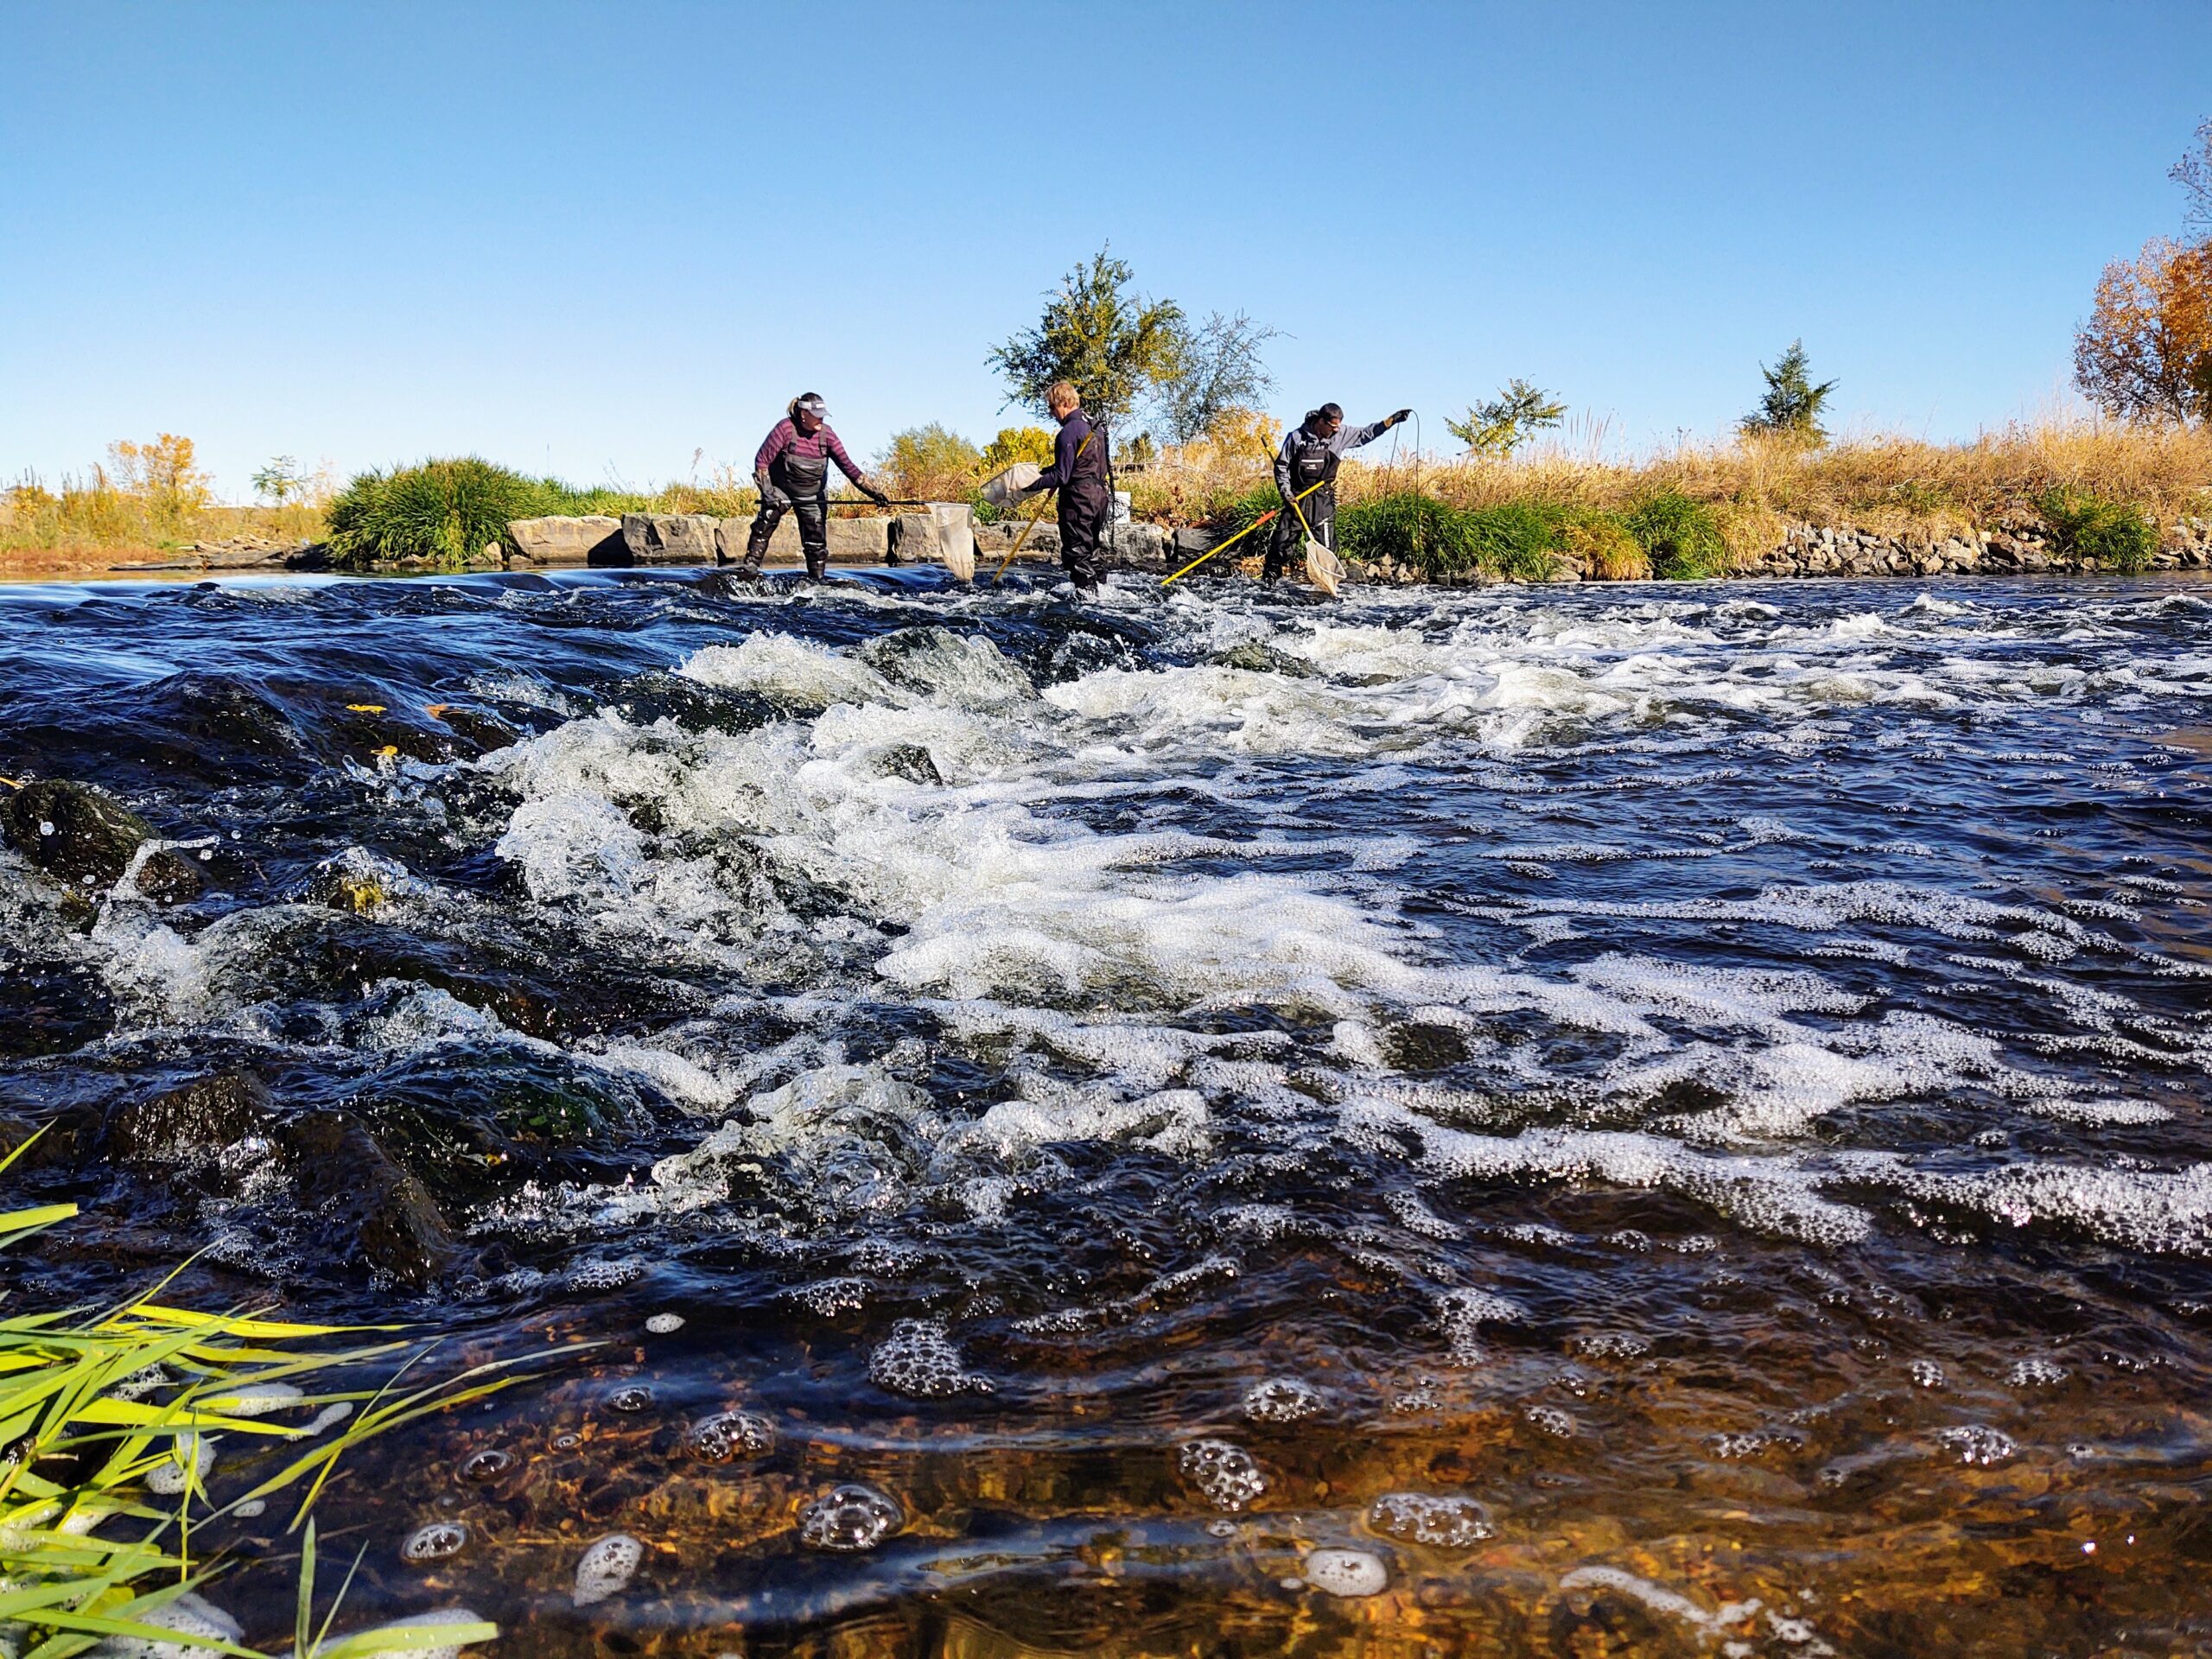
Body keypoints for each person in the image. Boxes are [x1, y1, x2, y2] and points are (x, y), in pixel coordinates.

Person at [740, 394, 891, 580]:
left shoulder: (828, 435)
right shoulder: (785, 429)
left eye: (823, 414)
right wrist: (768, 493)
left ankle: (817, 581)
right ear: (804, 413)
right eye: (817, 414)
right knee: (765, 522)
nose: (821, 418)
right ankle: (749, 571)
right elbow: (762, 461)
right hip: (781, 490)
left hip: (812, 495)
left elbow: (849, 468)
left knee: (816, 542)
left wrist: (875, 493)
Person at [1265, 403, 1411, 580]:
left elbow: (1367, 433)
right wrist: (1285, 491)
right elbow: (1282, 466)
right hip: (1296, 498)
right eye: (1333, 427)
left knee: (1327, 549)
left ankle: (1327, 589)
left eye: (1339, 427)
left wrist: (1391, 421)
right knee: (1281, 545)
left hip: (1322, 498)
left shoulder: (1341, 435)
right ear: (1321, 421)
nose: (1336, 430)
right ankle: (1270, 581)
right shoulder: (1296, 437)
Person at [1019, 381, 1112, 597]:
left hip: (1078, 500)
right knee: (1092, 552)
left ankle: (1088, 603)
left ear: (1064, 402)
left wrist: (1030, 485)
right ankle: (1105, 597)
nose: (1052, 413)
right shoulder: (1096, 427)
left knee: (1077, 554)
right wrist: (1045, 472)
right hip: (1099, 498)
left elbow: (1062, 475)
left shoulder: (1068, 432)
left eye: (1052, 407)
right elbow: (1081, 464)